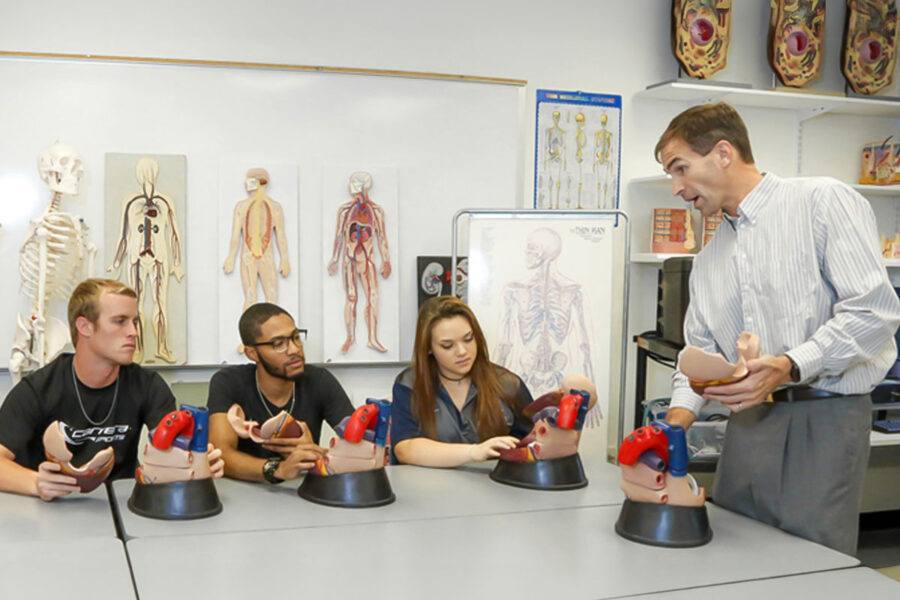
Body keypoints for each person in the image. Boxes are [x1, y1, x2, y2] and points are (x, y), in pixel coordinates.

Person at [654, 101, 900, 554]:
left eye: (680, 168)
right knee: (737, 551)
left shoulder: (821, 202)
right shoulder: (708, 260)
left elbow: (875, 311)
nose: (676, 187)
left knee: (809, 564)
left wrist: (789, 365)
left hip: (824, 416)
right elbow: (698, 354)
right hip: (748, 423)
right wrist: (674, 425)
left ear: (723, 153)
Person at [0, 278, 223, 501]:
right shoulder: (37, 389)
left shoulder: (148, 385)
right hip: (54, 507)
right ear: (84, 327)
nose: (133, 332)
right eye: (120, 321)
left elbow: (170, 452)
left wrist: (197, 462)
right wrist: (37, 483)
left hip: (121, 505)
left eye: (134, 322)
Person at [208, 303, 354, 484]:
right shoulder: (229, 382)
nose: (294, 349)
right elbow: (221, 454)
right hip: (243, 493)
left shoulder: (319, 380)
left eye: (296, 337)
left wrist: (314, 452)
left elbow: (360, 448)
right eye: (278, 344)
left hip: (302, 493)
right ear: (252, 353)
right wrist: (278, 469)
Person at [391, 296, 533, 467]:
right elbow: (405, 449)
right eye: (447, 346)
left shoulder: (508, 384)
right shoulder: (410, 384)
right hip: (431, 489)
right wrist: (474, 452)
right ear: (428, 347)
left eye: (468, 339)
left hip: (494, 488)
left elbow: (534, 443)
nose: (462, 351)